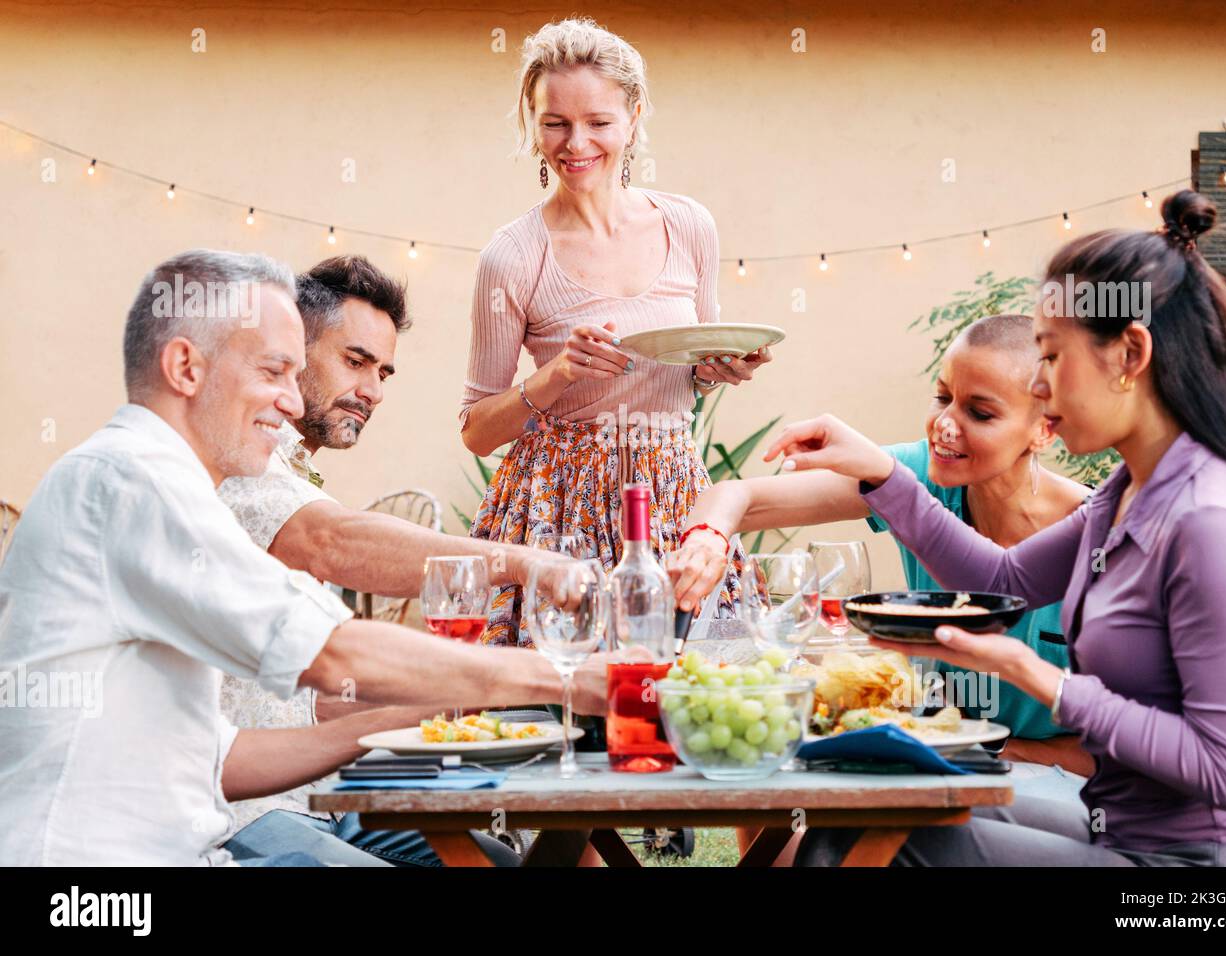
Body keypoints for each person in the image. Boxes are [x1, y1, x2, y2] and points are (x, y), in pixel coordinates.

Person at [0, 250, 607, 866]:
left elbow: (221, 757)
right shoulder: (133, 482)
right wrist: (563, 679)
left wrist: (440, 706)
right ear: (186, 367)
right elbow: (334, 642)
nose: (291, 404)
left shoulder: (166, 484)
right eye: (273, 371)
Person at [773, 191, 1226, 865]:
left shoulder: (1212, 521)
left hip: (1206, 871)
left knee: (898, 848)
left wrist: (1035, 674)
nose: (1041, 388)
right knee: (858, 817)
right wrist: (884, 475)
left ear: (1129, 354)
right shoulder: (1128, 492)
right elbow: (1002, 580)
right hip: (1128, 834)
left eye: (1051, 358)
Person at [217, 254, 558, 865]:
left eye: (384, 372)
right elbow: (336, 540)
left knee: (508, 865)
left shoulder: (295, 473)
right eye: (355, 362)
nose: (373, 391)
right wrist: (521, 563)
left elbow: (309, 696)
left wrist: (483, 702)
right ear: (289, 351)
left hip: (324, 799)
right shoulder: (237, 462)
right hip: (238, 812)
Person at [669, 314, 1094, 778]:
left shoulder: (1098, 537)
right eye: (942, 397)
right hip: (937, 759)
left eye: (980, 412)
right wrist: (706, 538)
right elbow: (740, 497)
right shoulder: (921, 476)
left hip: (1062, 786)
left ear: (1044, 429)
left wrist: (997, 753)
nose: (945, 425)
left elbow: (1122, 747)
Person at [458, 17, 771, 646]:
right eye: (555, 123)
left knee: (697, 698)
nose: (576, 143)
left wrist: (719, 368)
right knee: (556, 708)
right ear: (533, 123)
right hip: (557, 512)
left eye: (598, 122)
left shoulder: (689, 226)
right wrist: (555, 376)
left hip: (675, 493)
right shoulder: (512, 256)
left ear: (633, 116)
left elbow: (695, 367)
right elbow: (476, 431)